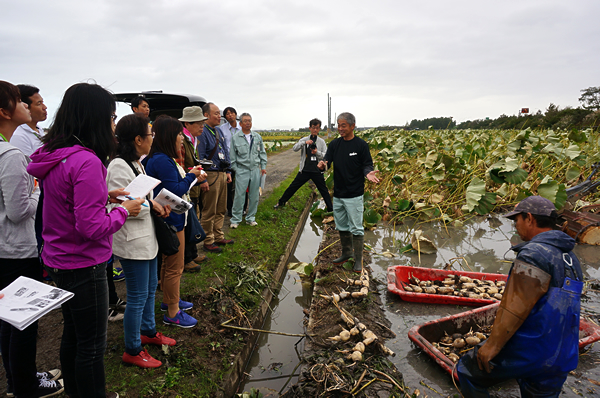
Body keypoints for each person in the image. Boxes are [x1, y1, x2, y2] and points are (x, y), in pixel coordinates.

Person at [28, 83, 143, 398]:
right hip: (85, 264)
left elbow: (65, 199)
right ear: (94, 118)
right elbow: (92, 226)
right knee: (92, 346)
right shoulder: (88, 161)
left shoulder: (55, 155)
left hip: (57, 260)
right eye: (110, 117)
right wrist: (123, 210)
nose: (111, 125)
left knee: (73, 336)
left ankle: (74, 392)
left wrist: (106, 194)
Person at [456, 196, 583, 398]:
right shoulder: (571, 258)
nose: (516, 226)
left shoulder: (533, 253)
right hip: (564, 356)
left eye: (517, 220)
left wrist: (492, 346)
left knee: (467, 371)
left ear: (529, 218)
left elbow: (515, 307)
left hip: (532, 351)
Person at [0, 81, 64, 398]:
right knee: (23, 323)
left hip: (5, 249)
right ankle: (25, 385)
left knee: (8, 321)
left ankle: (17, 378)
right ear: (5, 111)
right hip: (16, 250)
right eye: (20, 102)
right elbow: (17, 211)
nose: (27, 106)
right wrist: (39, 192)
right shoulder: (12, 155)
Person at [107, 114, 176, 368]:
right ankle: (132, 349)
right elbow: (123, 205)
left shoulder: (137, 163)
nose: (152, 139)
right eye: (150, 135)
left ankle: (148, 332)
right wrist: (154, 206)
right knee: (136, 296)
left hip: (147, 239)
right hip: (132, 242)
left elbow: (142, 198)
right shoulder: (118, 166)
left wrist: (155, 204)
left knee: (148, 291)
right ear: (137, 139)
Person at [143, 115, 205, 328]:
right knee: (175, 267)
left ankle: (170, 300)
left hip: (170, 217)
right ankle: (172, 312)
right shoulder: (163, 160)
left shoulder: (159, 158)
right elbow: (176, 190)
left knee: (168, 264)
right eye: (179, 134)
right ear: (170, 136)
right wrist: (192, 175)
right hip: (172, 219)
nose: (182, 138)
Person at [317, 112, 379, 273]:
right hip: (338, 194)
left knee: (356, 228)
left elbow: (367, 164)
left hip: (354, 194)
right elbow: (327, 161)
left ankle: (358, 260)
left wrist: (368, 173)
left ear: (352, 126)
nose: (340, 128)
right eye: (338, 125)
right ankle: (346, 253)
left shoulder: (361, 145)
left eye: (343, 125)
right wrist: (323, 165)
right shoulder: (335, 145)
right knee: (342, 225)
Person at [197, 103, 234, 253]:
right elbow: (200, 157)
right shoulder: (202, 132)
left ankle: (218, 235)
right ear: (206, 115)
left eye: (220, 114)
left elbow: (225, 152)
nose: (220, 116)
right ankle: (208, 240)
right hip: (210, 173)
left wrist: (228, 171)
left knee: (221, 208)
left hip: (221, 173)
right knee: (209, 209)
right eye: (216, 113)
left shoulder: (217, 131)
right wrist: (203, 179)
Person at [274, 118, 332, 212]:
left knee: (323, 190)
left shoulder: (321, 142)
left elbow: (325, 156)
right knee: (293, 187)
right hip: (304, 170)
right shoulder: (304, 139)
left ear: (319, 129)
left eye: (317, 128)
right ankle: (281, 203)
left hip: (316, 171)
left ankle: (330, 209)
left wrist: (317, 152)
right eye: (313, 127)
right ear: (310, 128)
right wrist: (304, 143)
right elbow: (294, 148)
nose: (315, 130)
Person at [179, 106, 208, 271]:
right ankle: (187, 258)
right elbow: (181, 167)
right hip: (187, 186)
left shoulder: (192, 139)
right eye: (199, 123)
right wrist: (195, 174)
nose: (202, 126)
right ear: (188, 124)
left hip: (192, 184)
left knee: (194, 218)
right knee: (188, 221)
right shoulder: (183, 140)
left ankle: (193, 253)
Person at [229, 113, 267, 228]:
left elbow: (262, 153)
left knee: (254, 196)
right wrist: (237, 169)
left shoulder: (257, 137)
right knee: (239, 195)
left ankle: (251, 218)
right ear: (240, 123)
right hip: (242, 170)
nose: (248, 123)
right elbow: (232, 156)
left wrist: (263, 166)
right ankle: (236, 219)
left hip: (255, 170)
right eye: (245, 121)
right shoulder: (235, 138)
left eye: (249, 121)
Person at [10, 84, 47, 157]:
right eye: (39, 103)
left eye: (43, 102)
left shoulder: (39, 129)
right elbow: (28, 166)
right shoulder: (18, 136)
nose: (44, 107)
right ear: (25, 106)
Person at [221, 106, 241, 216]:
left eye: (232, 113)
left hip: (241, 161)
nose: (230, 115)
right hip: (228, 161)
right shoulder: (222, 129)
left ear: (236, 114)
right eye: (227, 114)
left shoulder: (242, 127)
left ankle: (241, 209)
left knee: (242, 185)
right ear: (225, 117)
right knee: (228, 186)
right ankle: (230, 209)